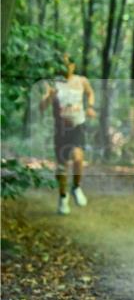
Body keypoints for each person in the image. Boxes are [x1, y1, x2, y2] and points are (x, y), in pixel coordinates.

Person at [39, 53, 96, 215]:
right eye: (61, 65)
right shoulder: (53, 84)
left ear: (73, 66)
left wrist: (91, 106)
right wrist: (49, 97)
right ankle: (63, 198)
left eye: (67, 64)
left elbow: (90, 93)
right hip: (60, 129)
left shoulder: (82, 81)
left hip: (77, 126)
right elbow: (41, 107)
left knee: (78, 158)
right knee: (62, 166)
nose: (65, 68)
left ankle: (76, 187)